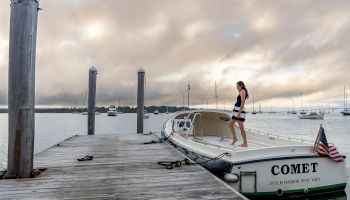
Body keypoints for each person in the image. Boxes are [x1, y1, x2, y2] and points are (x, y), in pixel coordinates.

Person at [228, 81, 249, 147]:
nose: (237, 88)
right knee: (230, 124)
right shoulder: (241, 91)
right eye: (236, 86)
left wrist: (239, 113)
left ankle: (245, 143)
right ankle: (235, 139)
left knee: (241, 128)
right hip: (236, 110)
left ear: (241, 85)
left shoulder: (242, 91)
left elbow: (242, 103)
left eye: (238, 86)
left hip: (239, 111)